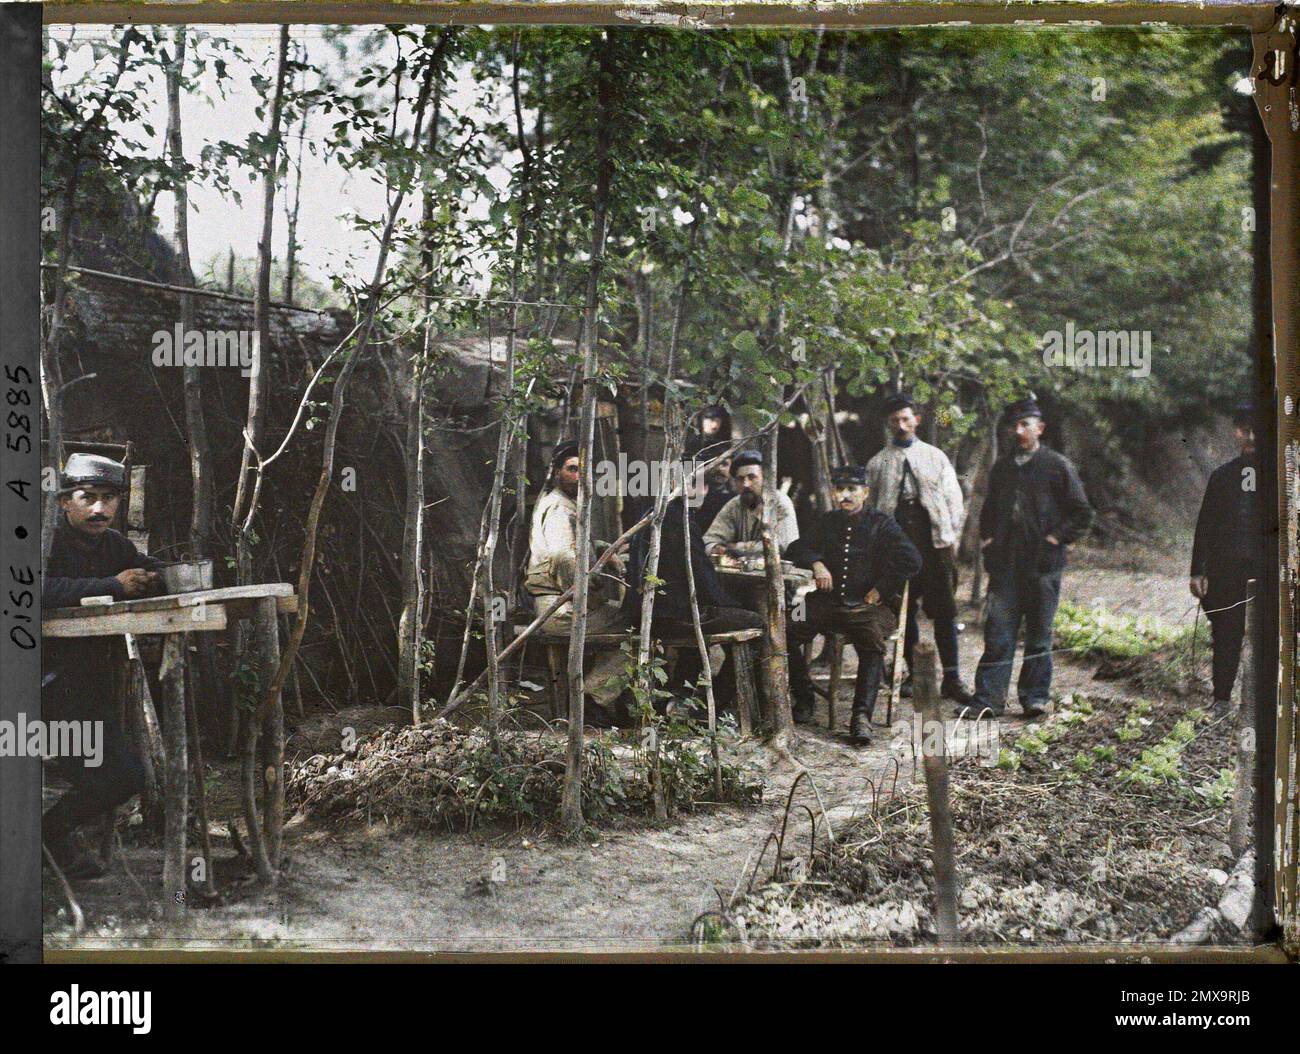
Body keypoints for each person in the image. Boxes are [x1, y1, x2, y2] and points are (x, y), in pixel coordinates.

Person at [42, 453, 163, 878]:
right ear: (63, 502)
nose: (99, 509)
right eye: (87, 497)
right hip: (43, 683)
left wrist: (155, 578)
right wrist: (113, 585)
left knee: (124, 776)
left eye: (108, 498)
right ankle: (51, 839)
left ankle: (51, 833)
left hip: (90, 684)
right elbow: (36, 589)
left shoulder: (115, 545)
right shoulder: (45, 542)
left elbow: (149, 569)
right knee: (106, 774)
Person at [967, 398, 1093, 718]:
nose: (1019, 431)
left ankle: (1035, 697)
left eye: (1026, 425)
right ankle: (988, 699)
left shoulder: (1057, 465)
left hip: (1042, 565)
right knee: (998, 633)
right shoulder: (1003, 468)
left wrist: (1054, 539)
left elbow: (1081, 513)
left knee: (1039, 635)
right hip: (1006, 565)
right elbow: (990, 511)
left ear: (1040, 428)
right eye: (1016, 425)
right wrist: (990, 541)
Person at [786, 465, 922, 742]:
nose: (845, 495)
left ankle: (861, 717)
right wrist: (817, 563)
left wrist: (881, 590)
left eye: (852, 489)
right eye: (840, 489)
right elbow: (795, 548)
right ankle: (804, 696)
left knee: (871, 643)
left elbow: (912, 559)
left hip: (870, 608)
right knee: (787, 629)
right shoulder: (828, 521)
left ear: (865, 492)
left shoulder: (883, 524)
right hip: (826, 604)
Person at [621, 464, 764, 704]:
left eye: (700, 485)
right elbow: (704, 582)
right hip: (670, 616)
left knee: (702, 627)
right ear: (673, 487)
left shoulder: (651, 513)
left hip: (644, 613)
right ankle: (721, 702)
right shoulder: (681, 522)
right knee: (756, 621)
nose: (695, 491)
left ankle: (677, 698)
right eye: (688, 485)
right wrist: (733, 605)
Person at [865, 392, 972, 704]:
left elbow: (954, 501)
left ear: (917, 420)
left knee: (945, 610)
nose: (901, 424)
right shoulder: (878, 463)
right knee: (904, 611)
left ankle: (952, 678)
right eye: (895, 420)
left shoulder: (936, 457)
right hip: (897, 546)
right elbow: (871, 507)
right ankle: (917, 675)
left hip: (934, 542)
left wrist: (949, 539)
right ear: (889, 423)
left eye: (906, 418)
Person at [524, 440, 627, 724]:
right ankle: (592, 698)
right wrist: (596, 582)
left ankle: (602, 699)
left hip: (560, 605)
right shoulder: (559, 509)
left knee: (624, 618)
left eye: (585, 470)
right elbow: (565, 560)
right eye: (572, 469)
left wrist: (604, 550)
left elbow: (579, 545)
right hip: (559, 609)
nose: (580, 476)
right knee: (638, 627)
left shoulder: (565, 503)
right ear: (557, 472)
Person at [1190, 402, 1264, 716]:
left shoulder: (1285, 476)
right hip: (1227, 568)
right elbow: (1205, 525)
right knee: (1227, 631)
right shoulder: (1222, 477)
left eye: (1258, 429)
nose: (1252, 436)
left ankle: (1267, 701)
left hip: (1269, 570)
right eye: (1245, 429)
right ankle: (1221, 698)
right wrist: (1198, 570)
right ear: (1237, 432)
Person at [703, 450, 800, 558]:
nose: (746, 484)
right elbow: (708, 541)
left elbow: (783, 546)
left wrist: (735, 548)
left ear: (764, 478)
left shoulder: (780, 503)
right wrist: (716, 548)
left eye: (752, 477)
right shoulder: (734, 505)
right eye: (740, 479)